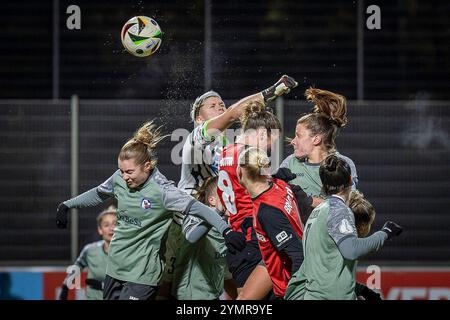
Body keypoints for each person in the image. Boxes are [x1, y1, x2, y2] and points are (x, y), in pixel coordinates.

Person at [55, 121, 245, 300]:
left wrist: (225, 229)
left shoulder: (164, 191)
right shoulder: (119, 178)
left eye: (129, 172)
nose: (124, 177)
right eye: (121, 171)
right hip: (115, 268)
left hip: (143, 275)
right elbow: (98, 193)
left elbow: (201, 209)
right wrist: (67, 205)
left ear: (147, 166)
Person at [159, 76, 298, 298]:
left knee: (231, 281)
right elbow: (233, 113)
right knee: (172, 284)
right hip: (190, 221)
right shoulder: (197, 138)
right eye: (212, 105)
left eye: (221, 104)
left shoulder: (230, 146)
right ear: (198, 118)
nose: (220, 106)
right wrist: (271, 92)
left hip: (222, 222)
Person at [284, 155, 403, 300]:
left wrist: (360, 289)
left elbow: (324, 268)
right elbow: (351, 250)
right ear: (350, 180)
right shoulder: (338, 210)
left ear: (323, 184)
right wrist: (385, 233)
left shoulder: (318, 211)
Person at [217, 101, 283, 297]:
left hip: (236, 239)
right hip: (254, 236)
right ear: (262, 134)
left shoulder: (225, 153)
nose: (270, 148)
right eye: (272, 141)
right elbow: (271, 194)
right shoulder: (252, 157)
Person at [237, 147, 304, 299]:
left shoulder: (267, 213)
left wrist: (293, 294)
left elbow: (298, 255)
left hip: (285, 282)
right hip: (275, 260)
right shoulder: (279, 184)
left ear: (241, 171)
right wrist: (255, 222)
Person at [280, 88, 358, 209]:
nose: (293, 141)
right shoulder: (289, 164)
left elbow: (347, 206)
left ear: (316, 139)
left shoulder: (343, 165)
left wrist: (308, 200)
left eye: (298, 136)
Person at [165, 176, 238, 300]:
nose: (231, 200)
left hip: (213, 295)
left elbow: (225, 274)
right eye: (226, 196)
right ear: (212, 200)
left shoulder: (228, 227)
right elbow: (191, 237)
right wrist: (216, 212)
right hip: (188, 296)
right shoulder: (196, 218)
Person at [59, 205, 117, 300]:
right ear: (100, 230)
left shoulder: (128, 253)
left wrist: (104, 286)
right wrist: (65, 288)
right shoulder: (90, 250)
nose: (111, 228)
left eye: (115, 224)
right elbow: (76, 269)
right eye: (106, 225)